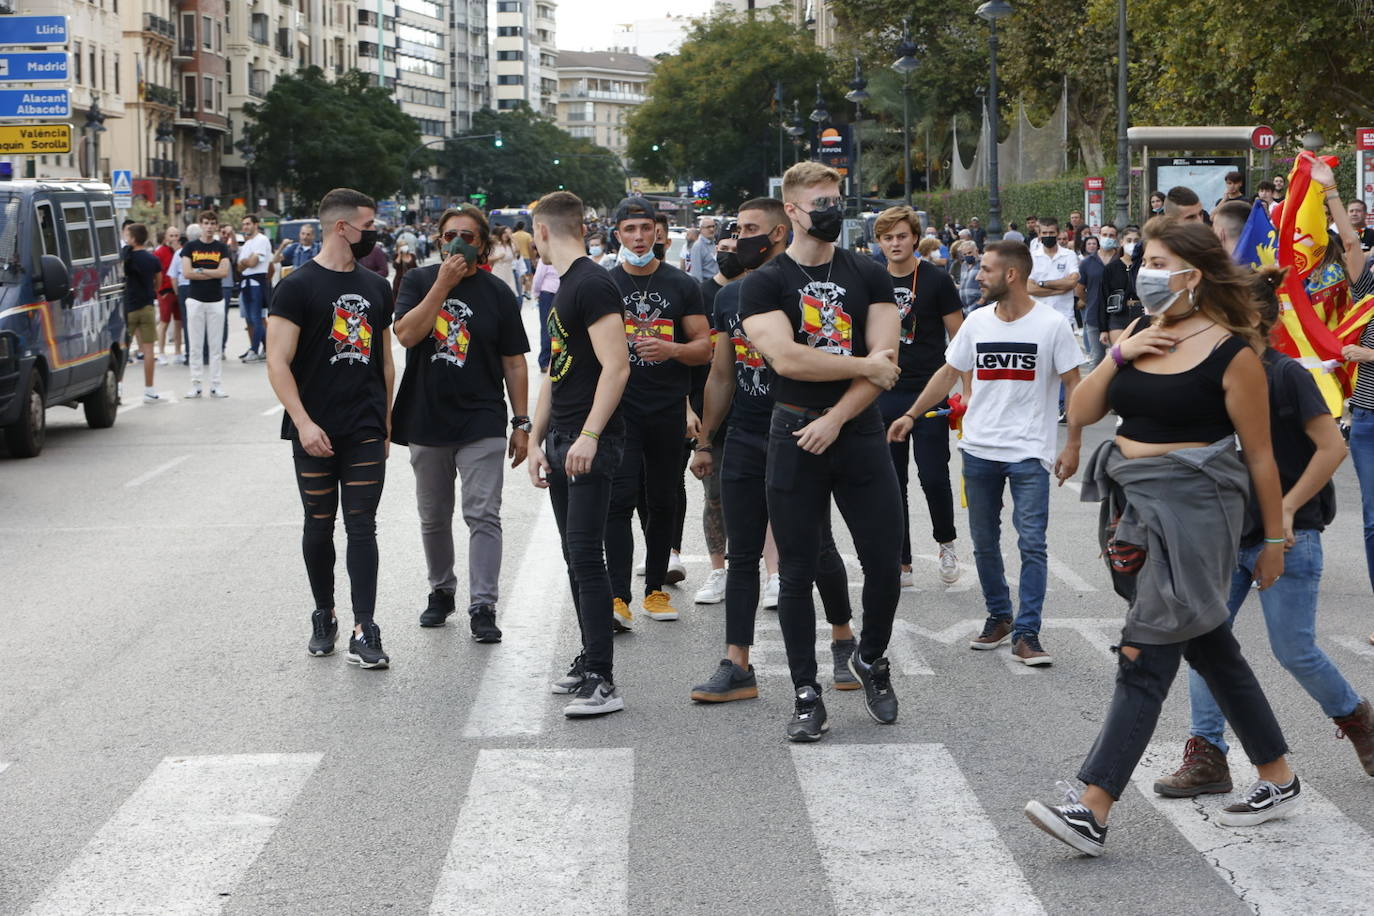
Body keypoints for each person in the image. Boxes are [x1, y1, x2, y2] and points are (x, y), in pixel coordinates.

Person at [1024, 217, 1300, 857]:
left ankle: (1093, 805)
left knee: (1145, 654)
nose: (1142, 271)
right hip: (1135, 509)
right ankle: (1279, 777)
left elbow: (1260, 458)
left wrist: (1275, 541)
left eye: (1154, 261)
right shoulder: (1143, 334)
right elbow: (1085, 411)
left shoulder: (1234, 354)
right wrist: (1120, 353)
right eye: (1142, 259)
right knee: (1208, 644)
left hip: (1197, 512)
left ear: (1191, 275)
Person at [1152, 265, 1374, 796]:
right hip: (1221, 535)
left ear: (1249, 317)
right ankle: (1208, 756)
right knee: (1206, 644)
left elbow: (1332, 448)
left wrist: (1289, 509)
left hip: (1289, 538)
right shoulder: (1210, 372)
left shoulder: (1287, 374)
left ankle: (1358, 721)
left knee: (1293, 650)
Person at [739, 161, 905, 742]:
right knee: (796, 573)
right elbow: (786, 359)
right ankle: (807, 695)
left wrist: (837, 415)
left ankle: (873, 658)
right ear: (791, 211)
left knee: (885, 562)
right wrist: (862, 365)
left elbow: (889, 366)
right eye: (820, 201)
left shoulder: (869, 274)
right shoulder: (764, 282)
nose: (832, 209)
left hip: (853, 431)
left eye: (837, 198)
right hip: (793, 434)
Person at [688, 196, 859, 702]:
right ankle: (736, 664)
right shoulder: (727, 297)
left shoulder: (810, 289)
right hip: (743, 435)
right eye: (737, 229)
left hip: (799, 433)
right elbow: (722, 374)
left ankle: (844, 638)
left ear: (780, 233)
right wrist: (704, 441)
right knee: (742, 553)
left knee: (815, 546)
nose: (739, 238)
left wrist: (835, 420)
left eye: (749, 229)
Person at [891, 241, 1082, 666]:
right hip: (978, 448)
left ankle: (1027, 632)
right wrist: (911, 413)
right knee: (983, 542)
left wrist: (1073, 444)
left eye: (987, 269)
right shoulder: (977, 322)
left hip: (1030, 451)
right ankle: (999, 616)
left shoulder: (1051, 326)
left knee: (1032, 542)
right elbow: (948, 373)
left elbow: (1074, 382)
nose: (978, 275)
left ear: (1010, 275)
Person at [265, 187, 396, 670]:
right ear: (342, 227)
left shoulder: (377, 286)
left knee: (362, 524)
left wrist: (385, 423)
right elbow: (277, 362)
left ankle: (366, 627)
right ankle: (325, 612)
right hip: (313, 427)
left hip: (363, 425)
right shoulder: (296, 287)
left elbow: (385, 360)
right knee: (319, 525)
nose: (374, 234)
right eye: (368, 225)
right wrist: (302, 422)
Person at [391, 205, 530, 643]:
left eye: (468, 237)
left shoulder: (498, 293)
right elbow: (408, 334)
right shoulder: (417, 281)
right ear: (437, 239)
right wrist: (442, 285)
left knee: (483, 514)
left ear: (483, 244)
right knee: (433, 516)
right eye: (450, 235)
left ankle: (483, 605)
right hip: (426, 416)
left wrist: (521, 422)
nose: (458, 243)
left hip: (482, 417)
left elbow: (514, 362)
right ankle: (441, 591)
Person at [526, 190, 631, 716]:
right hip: (563, 437)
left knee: (587, 556)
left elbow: (617, 366)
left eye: (533, 234)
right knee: (574, 554)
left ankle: (603, 679)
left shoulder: (592, 283)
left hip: (593, 439)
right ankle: (590, 656)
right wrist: (534, 440)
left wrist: (589, 436)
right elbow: (555, 368)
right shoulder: (563, 284)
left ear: (543, 231)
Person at [605, 197, 711, 628]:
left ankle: (655, 592)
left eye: (646, 229)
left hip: (667, 409)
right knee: (619, 500)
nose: (638, 237)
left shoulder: (681, 285)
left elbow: (705, 347)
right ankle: (617, 596)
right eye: (630, 229)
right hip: (621, 410)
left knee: (663, 501)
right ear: (617, 234)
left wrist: (672, 350)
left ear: (658, 232)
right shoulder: (605, 284)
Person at [874, 206, 964, 589]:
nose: (895, 243)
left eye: (901, 236)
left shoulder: (937, 280)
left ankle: (946, 543)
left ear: (915, 237)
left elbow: (961, 340)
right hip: (883, 391)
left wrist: (967, 391)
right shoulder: (871, 280)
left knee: (933, 475)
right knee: (891, 483)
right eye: (887, 237)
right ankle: (902, 559)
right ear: (879, 242)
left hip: (929, 392)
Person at [180, 211, 232, 399]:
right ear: (200, 225)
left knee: (215, 346)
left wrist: (200, 269)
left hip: (216, 300)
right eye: (206, 223)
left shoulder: (221, 247)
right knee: (194, 344)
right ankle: (196, 384)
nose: (209, 227)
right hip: (195, 300)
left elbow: (224, 272)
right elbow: (187, 273)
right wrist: (212, 271)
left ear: (216, 226)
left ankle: (216, 384)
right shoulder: (190, 247)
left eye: (212, 223)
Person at [123, 223, 163, 403]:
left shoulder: (126, 258)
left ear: (132, 238)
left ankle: (117, 388)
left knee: (123, 350)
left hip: (128, 308)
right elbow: (158, 283)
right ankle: (149, 389)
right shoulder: (152, 259)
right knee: (148, 350)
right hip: (147, 307)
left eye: (126, 234)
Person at [237, 215, 271, 362]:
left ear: (255, 225)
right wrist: (246, 261)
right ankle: (266, 348)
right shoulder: (247, 244)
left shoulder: (261, 240)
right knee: (250, 318)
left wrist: (247, 261)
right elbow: (239, 266)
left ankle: (254, 350)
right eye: (243, 224)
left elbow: (253, 262)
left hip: (257, 283)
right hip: (245, 283)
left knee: (257, 318)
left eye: (248, 224)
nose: (245, 227)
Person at [153, 226, 181, 364]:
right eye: (171, 236)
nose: (174, 239)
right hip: (165, 291)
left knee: (178, 322)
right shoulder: (159, 253)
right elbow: (156, 273)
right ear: (165, 237)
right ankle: (161, 352)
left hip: (178, 291)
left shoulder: (180, 252)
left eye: (176, 235)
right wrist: (159, 290)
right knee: (164, 322)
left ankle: (178, 352)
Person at [531, 249, 561, 372]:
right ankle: (545, 360)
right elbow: (538, 278)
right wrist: (536, 293)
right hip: (549, 295)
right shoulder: (546, 259)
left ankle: (554, 359)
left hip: (559, 294)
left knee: (554, 328)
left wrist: (536, 293)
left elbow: (538, 278)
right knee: (549, 327)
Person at [487, 226, 520, 298]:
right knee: (498, 294)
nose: (506, 235)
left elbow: (518, 249)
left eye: (507, 233)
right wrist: (498, 257)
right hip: (498, 272)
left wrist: (511, 237)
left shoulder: (510, 246)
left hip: (509, 273)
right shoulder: (495, 245)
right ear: (500, 233)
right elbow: (488, 259)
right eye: (504, 233)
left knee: (511, 295)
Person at [511, 220, 535, 299]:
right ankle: (527, 292)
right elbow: (530, 248)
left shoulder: (513, 235)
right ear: (523, 227)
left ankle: (520, 291)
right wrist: (532, 259)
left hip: (516, 258)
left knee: (519, 276)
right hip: (526, 257)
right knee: (528, 276)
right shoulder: (528, 235)